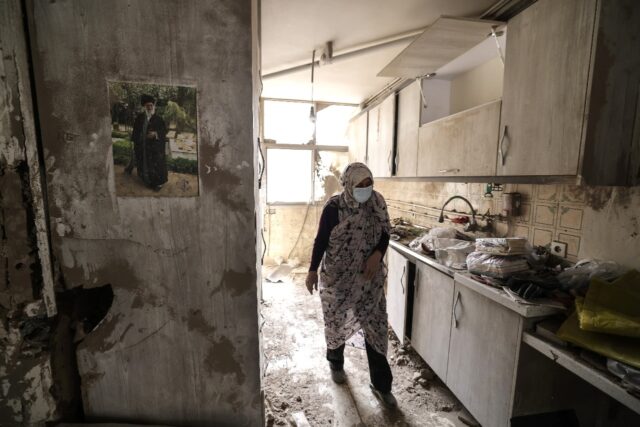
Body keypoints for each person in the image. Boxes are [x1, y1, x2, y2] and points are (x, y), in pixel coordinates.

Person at [305, 162, 397, 408]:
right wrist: (312, 270)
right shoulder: (334, 208)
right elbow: (321, 240)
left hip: (369, 279)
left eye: (369, 183)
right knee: (336, 319)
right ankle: (335, 362)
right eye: (360, 185)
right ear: (348, 184)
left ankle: (382, 385)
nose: (366, 189)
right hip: (339, 276)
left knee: (376, 326)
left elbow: (385, 231)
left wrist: (378, 253)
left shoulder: (376, 202)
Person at [126, 94, 168, 190]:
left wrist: (156, 134)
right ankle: (146, 180)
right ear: (144, 107)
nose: (149, 107)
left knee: (155, 164)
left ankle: (157, 184)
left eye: (151, 105)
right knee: (144, 163)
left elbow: (164, 132)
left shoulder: (158, 119)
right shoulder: (140, 118)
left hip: (154, 148)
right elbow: (135, 131)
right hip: (143, 146)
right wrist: (136, 142)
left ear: (153, 106)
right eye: (147, 105)